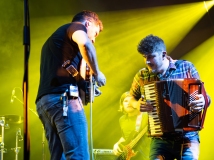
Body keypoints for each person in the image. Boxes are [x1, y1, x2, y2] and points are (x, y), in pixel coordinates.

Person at [35, 10, 106, 160]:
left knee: (58, 157)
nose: (94, 40)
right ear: (88, 24)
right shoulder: (76, 27)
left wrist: (89, 88)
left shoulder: (58, 43)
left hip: (46, 103)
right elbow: (85, 43)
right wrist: (98, 72)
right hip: (63, 100)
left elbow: (79, 75)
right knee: (78, 156)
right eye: (95, 34)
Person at [129, 34, 211, 160]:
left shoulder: (186, 67)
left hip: (187, 136)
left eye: (151, 56)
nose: (147, 61)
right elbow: (129, 99)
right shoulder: (142, 75)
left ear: (163, 54)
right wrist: (136, 104)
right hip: (160, 139)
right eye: (144, 57)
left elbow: (205, 97)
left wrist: (202, 101)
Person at [113, 91, 150, 160]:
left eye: (132, 100)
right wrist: (117, 144)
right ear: (122, 105)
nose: (129, 103)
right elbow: (125, 137)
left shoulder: (146, 115)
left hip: (145, 155)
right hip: (130, 156)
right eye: (126, 101)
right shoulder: (122, 119)